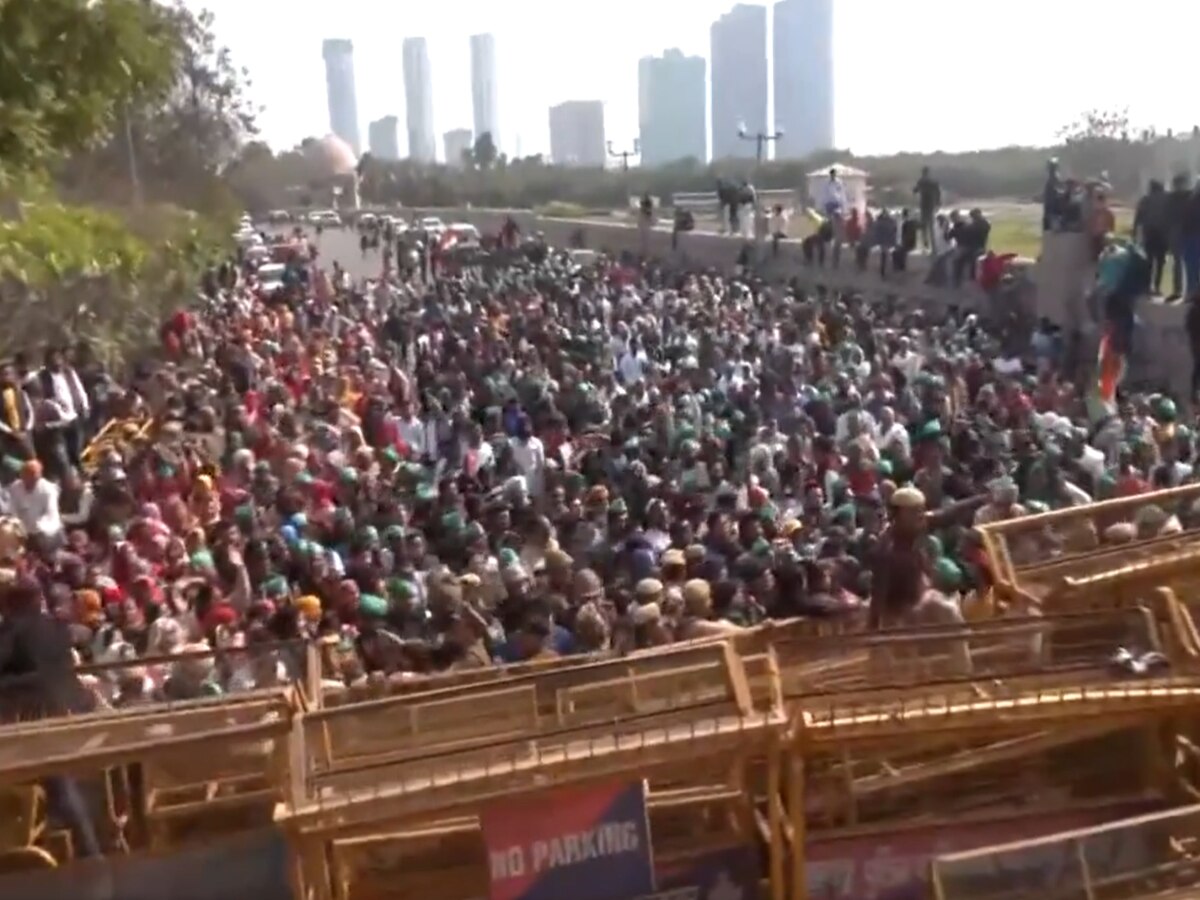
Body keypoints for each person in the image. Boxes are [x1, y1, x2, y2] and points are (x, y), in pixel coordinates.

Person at [1134, 179, 1170, 295]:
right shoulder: (1166, 199)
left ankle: (1146, 287)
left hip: (1149, 234)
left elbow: (1138, 218)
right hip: (1162, 235)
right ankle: (1157, 287)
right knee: (1160, 263)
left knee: (1148, 262)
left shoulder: (1145, 200)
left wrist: (1134, 232)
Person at [912, 166, 941, 251]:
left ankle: (925, 244)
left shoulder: (921, 181)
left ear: (923, 172)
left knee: (924, 225)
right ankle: (934, 245)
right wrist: (938, 203)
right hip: (931, 204)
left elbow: (915, 190)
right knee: (931, 225)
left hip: (924, 204)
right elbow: (938, 193)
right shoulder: (933, 182)